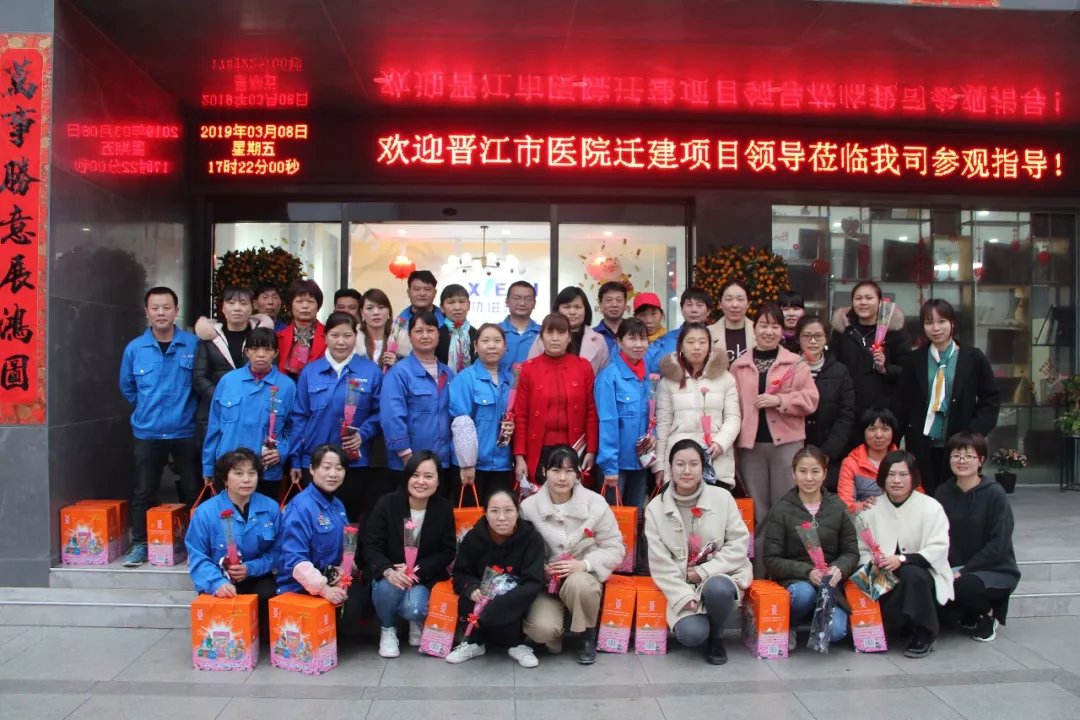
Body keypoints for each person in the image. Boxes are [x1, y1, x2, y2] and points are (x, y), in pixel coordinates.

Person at [644, 440, 752, 665]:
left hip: (720, 574)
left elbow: (739, 543)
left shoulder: (722, 498)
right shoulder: (655, 508)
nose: (686, 471)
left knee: (719, 589)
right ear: (670, 467)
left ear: (703, 467)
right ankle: (702, 623)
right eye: (680, 464)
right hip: (681, 582)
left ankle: (717, 636)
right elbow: (659, 561)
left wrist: (704, 571)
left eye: (693, 464)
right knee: (691, 635)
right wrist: (682, 596)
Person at [730, 303, 819, 560]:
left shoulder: (796, 363)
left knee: (787, 508)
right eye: (763, 325)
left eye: (774, 326)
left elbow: (811, 400)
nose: (768, 331)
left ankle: (787, 569)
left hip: (786, 447)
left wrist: (780, 400)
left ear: (782, 331)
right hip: (751, 448)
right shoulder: (739, 366)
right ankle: (759, 571)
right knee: (757, 512)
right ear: (754, 328)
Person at [521, 446, 625, 664]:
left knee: (580, 584)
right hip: (546, 584)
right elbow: (520, 551)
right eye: (556, 470)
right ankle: (559, 630)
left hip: (582, 579)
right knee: (541, 630)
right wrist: (540, 568)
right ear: (544, 471)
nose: (562, 478)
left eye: (569, 471)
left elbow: (615, 547)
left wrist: (585, 564)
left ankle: (586, 635)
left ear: (578, 473)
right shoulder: (528, 508)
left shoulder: (595, 503)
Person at [119, 286, 200, 567]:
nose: (161, 313)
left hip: (185, 429)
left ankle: (196, 545)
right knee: (144, 491)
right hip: (148, 431)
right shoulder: (135, 349)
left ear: (176, 310)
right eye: (155, 308)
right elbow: (128, 387)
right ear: (147, 312)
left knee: (193, 490)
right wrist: (147, 407)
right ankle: (140, 544)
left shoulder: (193, 345)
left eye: (167, 307)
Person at [896, 299, 1001, 496]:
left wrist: (973, 433)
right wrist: (894, 439)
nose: (936, 328)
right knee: (926, 497)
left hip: (960, 443)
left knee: (958, 497)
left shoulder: (973, 358)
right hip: (922, 444)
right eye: (929, 322)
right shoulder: (914, 360)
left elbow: (991, 399)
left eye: (941, 321)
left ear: (952, 323)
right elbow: (902, 403)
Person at [857, 450, 953, 659]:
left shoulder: (931, 507)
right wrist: (874, 562)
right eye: (891, 474)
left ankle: (925, 632)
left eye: (903, 475)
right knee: (864, 580)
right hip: (881, 574)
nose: (896, 480)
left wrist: (903, 559)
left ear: (913, 477)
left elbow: (939, 548)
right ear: (883, 478)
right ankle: (896, 625)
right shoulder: (870, 509)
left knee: (911, 574)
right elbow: (861, 550)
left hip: (923, 573)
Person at [762, 446, 858, 650]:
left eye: (815, 471)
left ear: (824, 474)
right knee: (803, 594)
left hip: (830, 585)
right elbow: (771, 559)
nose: (809, 478)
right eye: (802, 471)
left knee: (835, 632)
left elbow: (851, 552)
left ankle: (818, 616)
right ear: (793, 474)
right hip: (796, 581)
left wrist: (839, 568)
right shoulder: (781, 510)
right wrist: (807, 572)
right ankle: (790, 624)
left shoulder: (837, 506)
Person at [289, 312, 383, 520]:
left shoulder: (371, 371)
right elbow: (299, 418)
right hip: (315, 461)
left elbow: (380, 413)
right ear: (325, 337)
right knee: (315, 519)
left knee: (351, 521)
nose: (341, 342)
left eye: (347, 335)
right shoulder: (310, 372)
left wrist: (363, 434)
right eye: (335, 335)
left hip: (354, 463)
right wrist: (296, 460)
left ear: (356, 336)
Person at [362, 451, 456, 658]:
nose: (421, 482)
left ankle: (415, 620)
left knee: (414, 608)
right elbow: (371, 545)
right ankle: (388, 628)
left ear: (438, 480)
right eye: (415, 475)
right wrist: (388, 571)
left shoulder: (443, 508)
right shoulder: (387, 504)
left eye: (428, 476)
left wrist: (416, 571)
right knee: (387, 589)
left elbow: (448, 550)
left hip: (422, 576)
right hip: (390, 574)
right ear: (407, 477)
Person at [185, 449, 280, 640]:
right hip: (220, 577)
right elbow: (197, 555)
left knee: (269, 595)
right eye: (238, 473)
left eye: (252, 473)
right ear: (225, 479)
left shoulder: (270, 507)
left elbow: (278, 550)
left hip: (256, 575)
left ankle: (259, 639)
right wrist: (217, 583)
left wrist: (251, 568)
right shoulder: (206, 512)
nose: (246, 479)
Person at [935, 432, 1019, 642]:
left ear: (980, 460)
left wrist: (964, 570)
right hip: (954, 567)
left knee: (963, 585)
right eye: (956, 455)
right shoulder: (943, 492)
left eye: (968, 456)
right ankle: (969, 610)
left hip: (993, 568)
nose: (961, 461)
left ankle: (989, 613)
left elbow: (999, 544)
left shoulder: (995, 494)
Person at [447, 489, 546, 667]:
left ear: (517, 511)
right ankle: (474, 643)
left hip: (515, 600)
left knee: (521, 602)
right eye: (494, 511)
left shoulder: (532, 539)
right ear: (485, 513)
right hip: (482, 599)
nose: (502, 518)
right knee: (468, 600)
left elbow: (533, 581)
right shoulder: (473, 537)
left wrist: (503, 601)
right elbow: (460, 573)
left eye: (508, 510)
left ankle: (516, 644)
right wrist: (472, 588)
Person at [202, 328, 297, 495]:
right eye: (255, 349)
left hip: (266, 470)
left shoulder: (287, 386)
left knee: (264, 511)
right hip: (229, 469)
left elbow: (294, 428)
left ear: (275, 353)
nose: (261, 354)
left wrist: (282, 452)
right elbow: (214, 427)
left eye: (267, 349)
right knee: (227, 512)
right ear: (246, 352)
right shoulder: (228, 381)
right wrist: (208, 466)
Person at [514, 313, 599, 484]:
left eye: (561, 333)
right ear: (541, 337)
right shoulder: (529, 369)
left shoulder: (583, 367)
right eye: (549, 332)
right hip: (538, 449)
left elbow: (591, 412)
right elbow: (520, 415)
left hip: (575, 447)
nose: (555, 338)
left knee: (573, 496)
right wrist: (519, 456)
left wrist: (591, 450)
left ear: (569, 337)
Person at [655, 323, 741, 489]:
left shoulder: (725, 378)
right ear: (681, 346)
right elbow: (663, 425)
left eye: (702, 342)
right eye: (690, 342)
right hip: (680, 463)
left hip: (716, 460)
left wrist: (720, 443)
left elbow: (733, 417)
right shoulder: (668, 381)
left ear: (709, 346)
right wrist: (659, 465)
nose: (697, 347)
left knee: (716, 504)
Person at [829, 281, 910, 455]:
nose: (863, 302)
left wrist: (886, 368)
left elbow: (907, 371)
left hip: (882, 412)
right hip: (849, 409)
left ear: (880, 301)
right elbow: (832, 365)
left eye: (868, 298)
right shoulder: (843, 330)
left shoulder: (893, 331)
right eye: (858, 298)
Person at [193, 287, 275, 445]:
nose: (237, 308)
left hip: (254, 410)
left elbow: (270, 373)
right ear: (223, 308)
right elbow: (199, 377)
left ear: (251, 308)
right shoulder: (209, 338)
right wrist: (224, 398)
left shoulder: (262, 337)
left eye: (243, 303)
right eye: (231, 303)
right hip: (217, 411)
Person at [381, 311, 455, 481]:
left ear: (438, 334)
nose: (425, 336)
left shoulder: (448, 374)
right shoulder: (399, 373)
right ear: (409, 336)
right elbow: (392, 416)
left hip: (441, 463)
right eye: (419, 331)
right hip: (407, 464)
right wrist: (406, 456)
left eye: (430, 330)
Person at [277, 444, 352, 605]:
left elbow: (344, 547)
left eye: (339, 468)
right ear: (312, 469)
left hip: (332, 580)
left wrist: (343, 568)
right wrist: (324, 589)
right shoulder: (301, 507)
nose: (333, 474)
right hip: (300, 588)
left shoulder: (338, 504)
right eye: (326, 467)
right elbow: (295, 559)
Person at [450, 323, 515, 504]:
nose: (492, 346)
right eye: (485, 341)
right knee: (472, 517)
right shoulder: (465, 379)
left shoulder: (511, 380)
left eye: (497, 341)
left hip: (502, 465)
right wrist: (467, 464)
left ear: (505, 346)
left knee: (499, 515)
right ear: (476, 346)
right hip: (473, 466)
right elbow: (461, 424)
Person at [595, 318, 654, 509]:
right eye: (632, 338)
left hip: (641, 462)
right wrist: (609, 467)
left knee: (636, 515)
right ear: (619, 342)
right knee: (615, 517)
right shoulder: (609, 377)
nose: (638, 344)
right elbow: (607, 423)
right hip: (617, 465)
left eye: (643, 339)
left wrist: (654, 436)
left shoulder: (647, 377)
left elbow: (652, 415)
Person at [796, 315, 855, 490]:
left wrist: (828, 452)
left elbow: (846, 414)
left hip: (828, 451)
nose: (813, 341)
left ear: (826, 338)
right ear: (798, 338)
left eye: (818, 336)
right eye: (807, 336)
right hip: (793, 446)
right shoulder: (788, 367)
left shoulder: (840, 371)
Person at [528, 286, 609, 375]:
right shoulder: (542, 338)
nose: (572, 312)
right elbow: (531, 371)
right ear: (557, 310)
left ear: (586, 310)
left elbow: (604, 377)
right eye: (566, 307)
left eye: (578, 307)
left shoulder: (598, 340)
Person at [837, 409, 900, 513]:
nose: (879, 435)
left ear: (893, 432)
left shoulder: (904, 462)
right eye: (872, 429)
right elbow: (844, 505)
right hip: (862, 519)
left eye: (885, 429)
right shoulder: (850, 463)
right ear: (863, 432)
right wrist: (866, 505)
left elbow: (916, 499)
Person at [645, 287, 713, 373]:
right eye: (689, 305)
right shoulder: (667, 340)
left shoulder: (716, 336)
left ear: (708, 311)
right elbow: (652, 369)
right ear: (682, 310)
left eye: (699, 305)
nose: (694, 310)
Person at [277, 279, 326, 380]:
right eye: (299, 301)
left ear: (318, 306)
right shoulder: (278, 337)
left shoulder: (329, 335)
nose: (305, 306)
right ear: (290, 306)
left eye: (310, 301)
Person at [358, 287, 408, 371]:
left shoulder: (401, 341)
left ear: (389, 311)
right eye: (369, 308)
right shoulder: (354, 341)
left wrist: (397, 364)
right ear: (362, 313)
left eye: (381, 307)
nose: (376, 312)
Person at [708, 280, 756, 364]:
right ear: (720, 303)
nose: (735, 305)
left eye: (740, 299)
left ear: (748, 303)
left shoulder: (758, 333)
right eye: (729, 299)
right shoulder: (708, 333)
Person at [498, 280, 541, 373]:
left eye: (528, 299)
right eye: (517, 298)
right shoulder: (495, 332)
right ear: (507, 301)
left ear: (534, 303)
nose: (522, 303)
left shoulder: (543, 334)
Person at [436, 283, 478, 372]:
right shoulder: (436, 335)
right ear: (442, 307)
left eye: (462, 302)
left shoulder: (477, 335)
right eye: (451, 302)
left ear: (469, 305)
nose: (457, 307)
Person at [593, 281, 628, 357]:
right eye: (608, 300)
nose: (614, 305)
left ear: (625, 304)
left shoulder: (635, 332)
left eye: (619, 300)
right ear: (600, 304)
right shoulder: (592, 336)